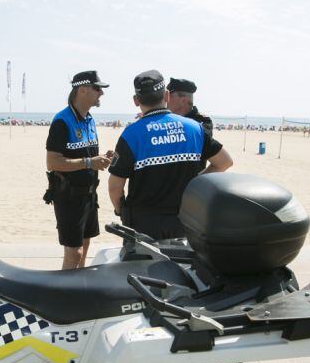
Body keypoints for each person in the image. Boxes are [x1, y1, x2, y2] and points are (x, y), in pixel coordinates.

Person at [109, 70, 232, 240]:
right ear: (166, 96)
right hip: (185, 217)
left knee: (142, 266)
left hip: (143, 222)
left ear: (136, 100)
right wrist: (193, 185)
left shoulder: (131, 133)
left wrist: (120, 210)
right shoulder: (194, 127)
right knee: (184, 266)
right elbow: (224, 162)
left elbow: (115, 187)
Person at [45, 70, 113, 269]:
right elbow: (53, 162)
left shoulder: (89, 119)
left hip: (89, 195)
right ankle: (64, 297)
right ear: (82, 90)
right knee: (74, 253)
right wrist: (90, 162)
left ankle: (79, 292)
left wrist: (101, 159)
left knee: (85, 245)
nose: (102, 93)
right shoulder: (62, 121)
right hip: (69, 196)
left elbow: (85, 156)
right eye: (97, 88)